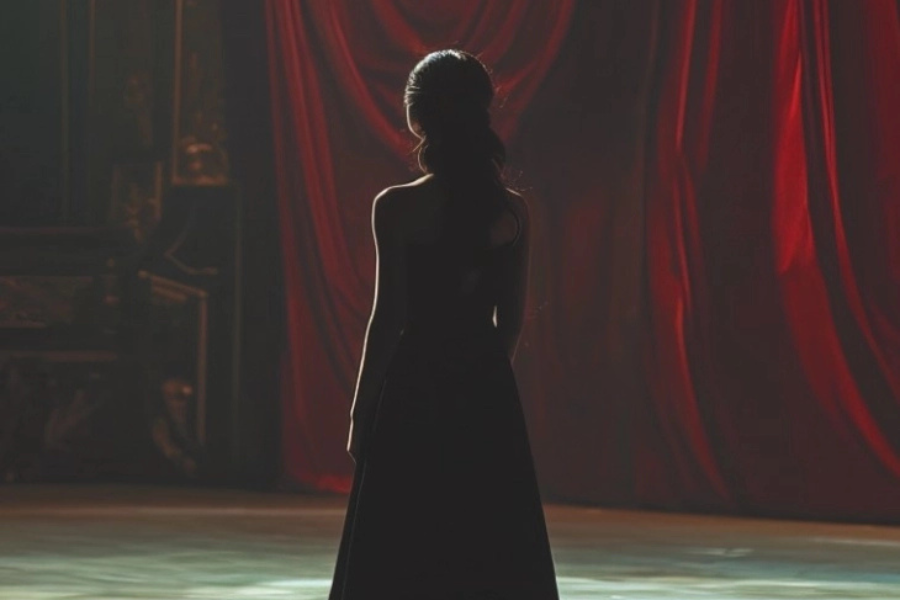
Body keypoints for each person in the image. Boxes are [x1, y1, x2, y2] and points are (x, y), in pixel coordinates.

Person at [329, 49, 559, 600]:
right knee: (485, 540)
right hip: (484, 384)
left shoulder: (396, 207)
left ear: (417, 115)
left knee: (403, 540)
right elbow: (510, 321)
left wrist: (362, 412)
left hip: (413, 386)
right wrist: (482, 381)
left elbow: (387, 319)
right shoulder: (512, 211)